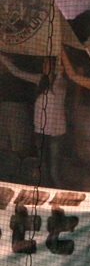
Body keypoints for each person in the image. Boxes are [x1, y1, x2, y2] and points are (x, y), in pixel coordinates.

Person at [0, 52, 67, 188]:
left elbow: (58, 90)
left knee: (54, 170)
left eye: (47, 63)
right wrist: (2, 58)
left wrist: (59, 74)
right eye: (44, 63)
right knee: (43, 167)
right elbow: (17, 72)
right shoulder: (40, 80)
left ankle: (60, 193)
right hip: (40, 131)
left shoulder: (60, 83)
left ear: (54, 66)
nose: (44, 65)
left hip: (55, 133)